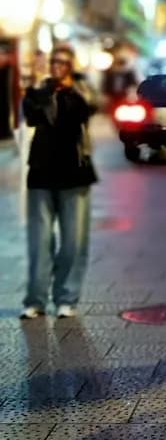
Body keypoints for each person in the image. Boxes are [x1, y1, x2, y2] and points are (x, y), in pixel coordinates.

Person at [21, 44, 97, 319]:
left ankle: (67, 298)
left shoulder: (81, 92)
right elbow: (31, 115)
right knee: (39, 241)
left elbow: (83, 112)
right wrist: (41, 85)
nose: (57, 66)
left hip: (74, 174)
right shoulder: (40, 92)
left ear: (72, 65)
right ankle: (36, 300)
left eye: (64, 62)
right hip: (40, 173)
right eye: (54, 61)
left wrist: (67, 87)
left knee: (73, 242)